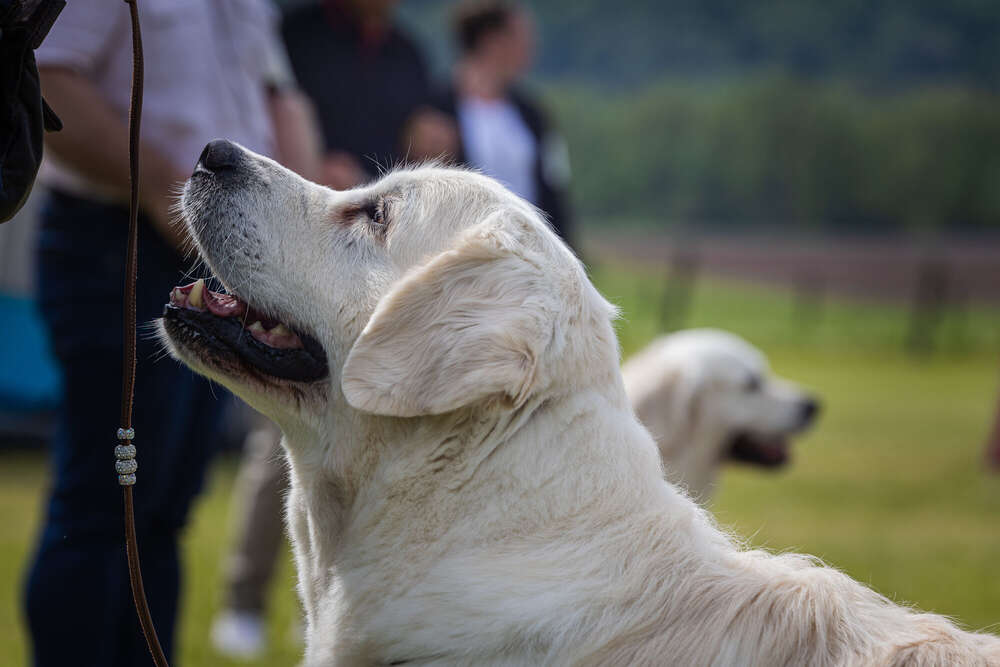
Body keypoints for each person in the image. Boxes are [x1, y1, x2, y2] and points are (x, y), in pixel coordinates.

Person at [21, 1, 320, 665]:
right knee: (104, 509)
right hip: (117, 237)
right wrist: (165, 186)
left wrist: (308, 217)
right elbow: (44, 75)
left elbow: (273, 97)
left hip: (203, 247)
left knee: (165, 512)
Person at [210, 0, 453, 658]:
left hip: (382, 279)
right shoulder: (297, 36)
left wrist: (435, 137)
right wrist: (323, 176)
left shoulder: (408, 52)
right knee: (283, 436)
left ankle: (321, 609)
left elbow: (429, 140)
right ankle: (242, 598)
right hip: (308, 259)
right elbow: (258, 129)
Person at [430, 0, 574, 248]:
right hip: (463, 251)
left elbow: (553, 186)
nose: (532, 46)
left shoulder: (532, 114)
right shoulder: (435, 108)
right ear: (491, 40)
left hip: (527, 253)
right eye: (522, 36)